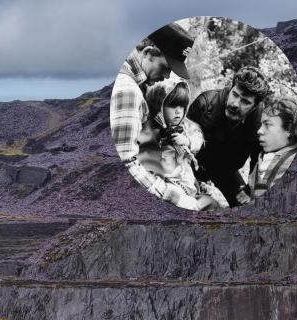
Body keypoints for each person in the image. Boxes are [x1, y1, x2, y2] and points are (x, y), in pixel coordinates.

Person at [110, 23, 195, 203]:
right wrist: (174, 197)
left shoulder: (132, 82)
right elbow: (126, 164)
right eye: (165, 68)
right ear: (149, 52)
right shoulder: (128, 90)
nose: (166, 77)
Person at [139, 79, 228, 210]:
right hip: (166, 181)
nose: (178, 112)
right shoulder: (151, 132)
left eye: (182, 106)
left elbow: (198, 138)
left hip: (185, 177)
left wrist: (188, 141)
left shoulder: (186, 126)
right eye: (172, 106)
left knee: (213, 202)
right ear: (158, 106)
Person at [187, 66, 269, 206]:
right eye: (235, 95)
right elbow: (180, 144)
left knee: (246, 206)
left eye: (245, 101)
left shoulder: (259, 124)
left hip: (225, 170)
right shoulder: (204, 103)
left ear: (254, 107)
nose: (236, 104)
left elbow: (258, 160)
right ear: (230, 88)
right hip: (193, 164)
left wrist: (249, 189)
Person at [242, 95, 297, 202]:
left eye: (267, 125)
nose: (259, 131)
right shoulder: (262, 158)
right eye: (261, 124)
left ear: (289, 129)